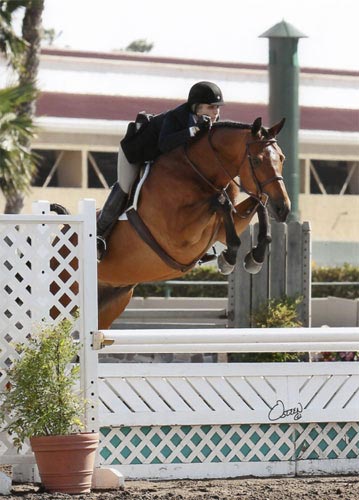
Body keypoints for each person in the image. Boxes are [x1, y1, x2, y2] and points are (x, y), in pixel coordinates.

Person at [96, 81, 224, 261]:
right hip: (136, 153)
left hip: (161, 162)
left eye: (218, 108)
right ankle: (98, 234)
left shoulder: (209, 125)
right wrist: (193, 130)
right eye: (211, 107)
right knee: (126, 187)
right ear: (196, 107)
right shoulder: (175, 117)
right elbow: (164, 144)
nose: (216, 113)